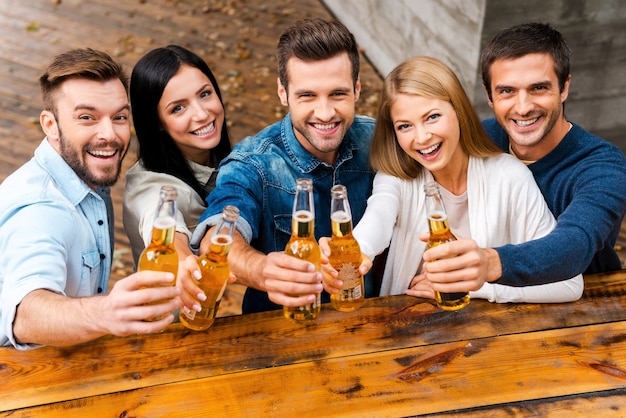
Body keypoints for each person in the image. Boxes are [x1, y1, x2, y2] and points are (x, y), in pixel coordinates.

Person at [321, 56, 582, 303]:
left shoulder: (509, 176)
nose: (421, 137)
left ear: (458, 110)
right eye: (405, 126)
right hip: (406, 327)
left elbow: (570, 284)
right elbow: (378, 217)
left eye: (432, 117)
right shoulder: (397, 177)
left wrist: (475, 287)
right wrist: (355, 251)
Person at [0, 48, 193, 349]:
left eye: (119, 117)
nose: (110, 134)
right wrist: (105, 313)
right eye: (87, 117)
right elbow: (25, 315)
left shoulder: (85, 173)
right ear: (50, 125)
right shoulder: (39, 210)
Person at [421, 23, 626, 296]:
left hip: (582, 307)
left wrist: (489, 263)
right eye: (507, 91)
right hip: (481, 301)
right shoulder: (478, 138)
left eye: (538, 88)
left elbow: (575, 243)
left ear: (564, 87)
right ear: (489, 95)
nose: (523, 107)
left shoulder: (604, 167)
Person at [190, 18, 376, 314]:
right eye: (307, 96)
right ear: (282, 92)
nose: (325, 113)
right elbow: (218, 235)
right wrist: (262, 269)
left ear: (356, 89)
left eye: (337, 94)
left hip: (374, 327)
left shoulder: (382, 142)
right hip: (281, 337)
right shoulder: (253, 162)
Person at [123, 45, 232, 316]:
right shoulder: (153, 186)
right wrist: (181, 257)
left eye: (205, 94)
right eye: (178, 108)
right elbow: (163, 223)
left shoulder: (222, 160)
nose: (201, 114)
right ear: (156, 122)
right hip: (164, 331)